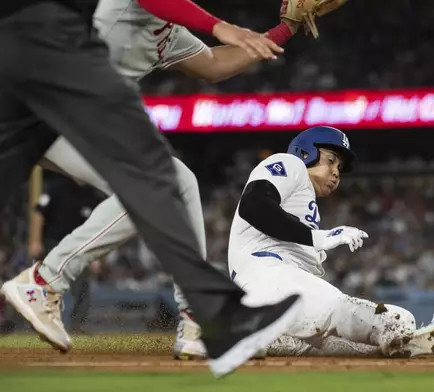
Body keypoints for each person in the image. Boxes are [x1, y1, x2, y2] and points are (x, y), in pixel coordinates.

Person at [0, 0, 301, 378]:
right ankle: (45, 282)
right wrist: (221, 26)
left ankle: (198, 322)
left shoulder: (170, 29)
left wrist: (286, 30)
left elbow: (215, 65)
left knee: (176, 183)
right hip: (47, 102)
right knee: (147, 185)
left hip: (61, 113)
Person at [228, 126, 434, 358]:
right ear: (305, 152)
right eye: (331, 160)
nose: (336, 172)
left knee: (341, 340)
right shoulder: (291, 163)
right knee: (371, 316)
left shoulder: (302, 199)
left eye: (340, 167)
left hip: (271, 284)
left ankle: (257, 333)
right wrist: (320, 237)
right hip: (265, 271)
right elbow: (253, 205)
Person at [30, 175, 103, 333]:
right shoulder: (56, 187)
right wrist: (35, 241)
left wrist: (95, 257)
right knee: (49, 285)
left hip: (78, 248)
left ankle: (78, 326)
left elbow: (96, 229)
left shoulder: (92, 195)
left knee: (82, 285)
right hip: (53, 244)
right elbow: (39, 213)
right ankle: (43, 324)